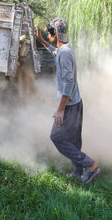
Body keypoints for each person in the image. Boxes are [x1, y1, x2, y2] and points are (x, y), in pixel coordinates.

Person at [35, 18, 100, 184]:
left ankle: (91, 165)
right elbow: (54, 52)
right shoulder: (65, 50)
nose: (48, 35)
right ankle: (78, 170)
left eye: (49, 33)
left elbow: (69, 81)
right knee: (74, 140)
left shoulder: (64, 53)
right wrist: (41, 39)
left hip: (70, 105)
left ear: (55, 34)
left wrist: (61, 109)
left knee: (57, 137)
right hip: (76, 103)